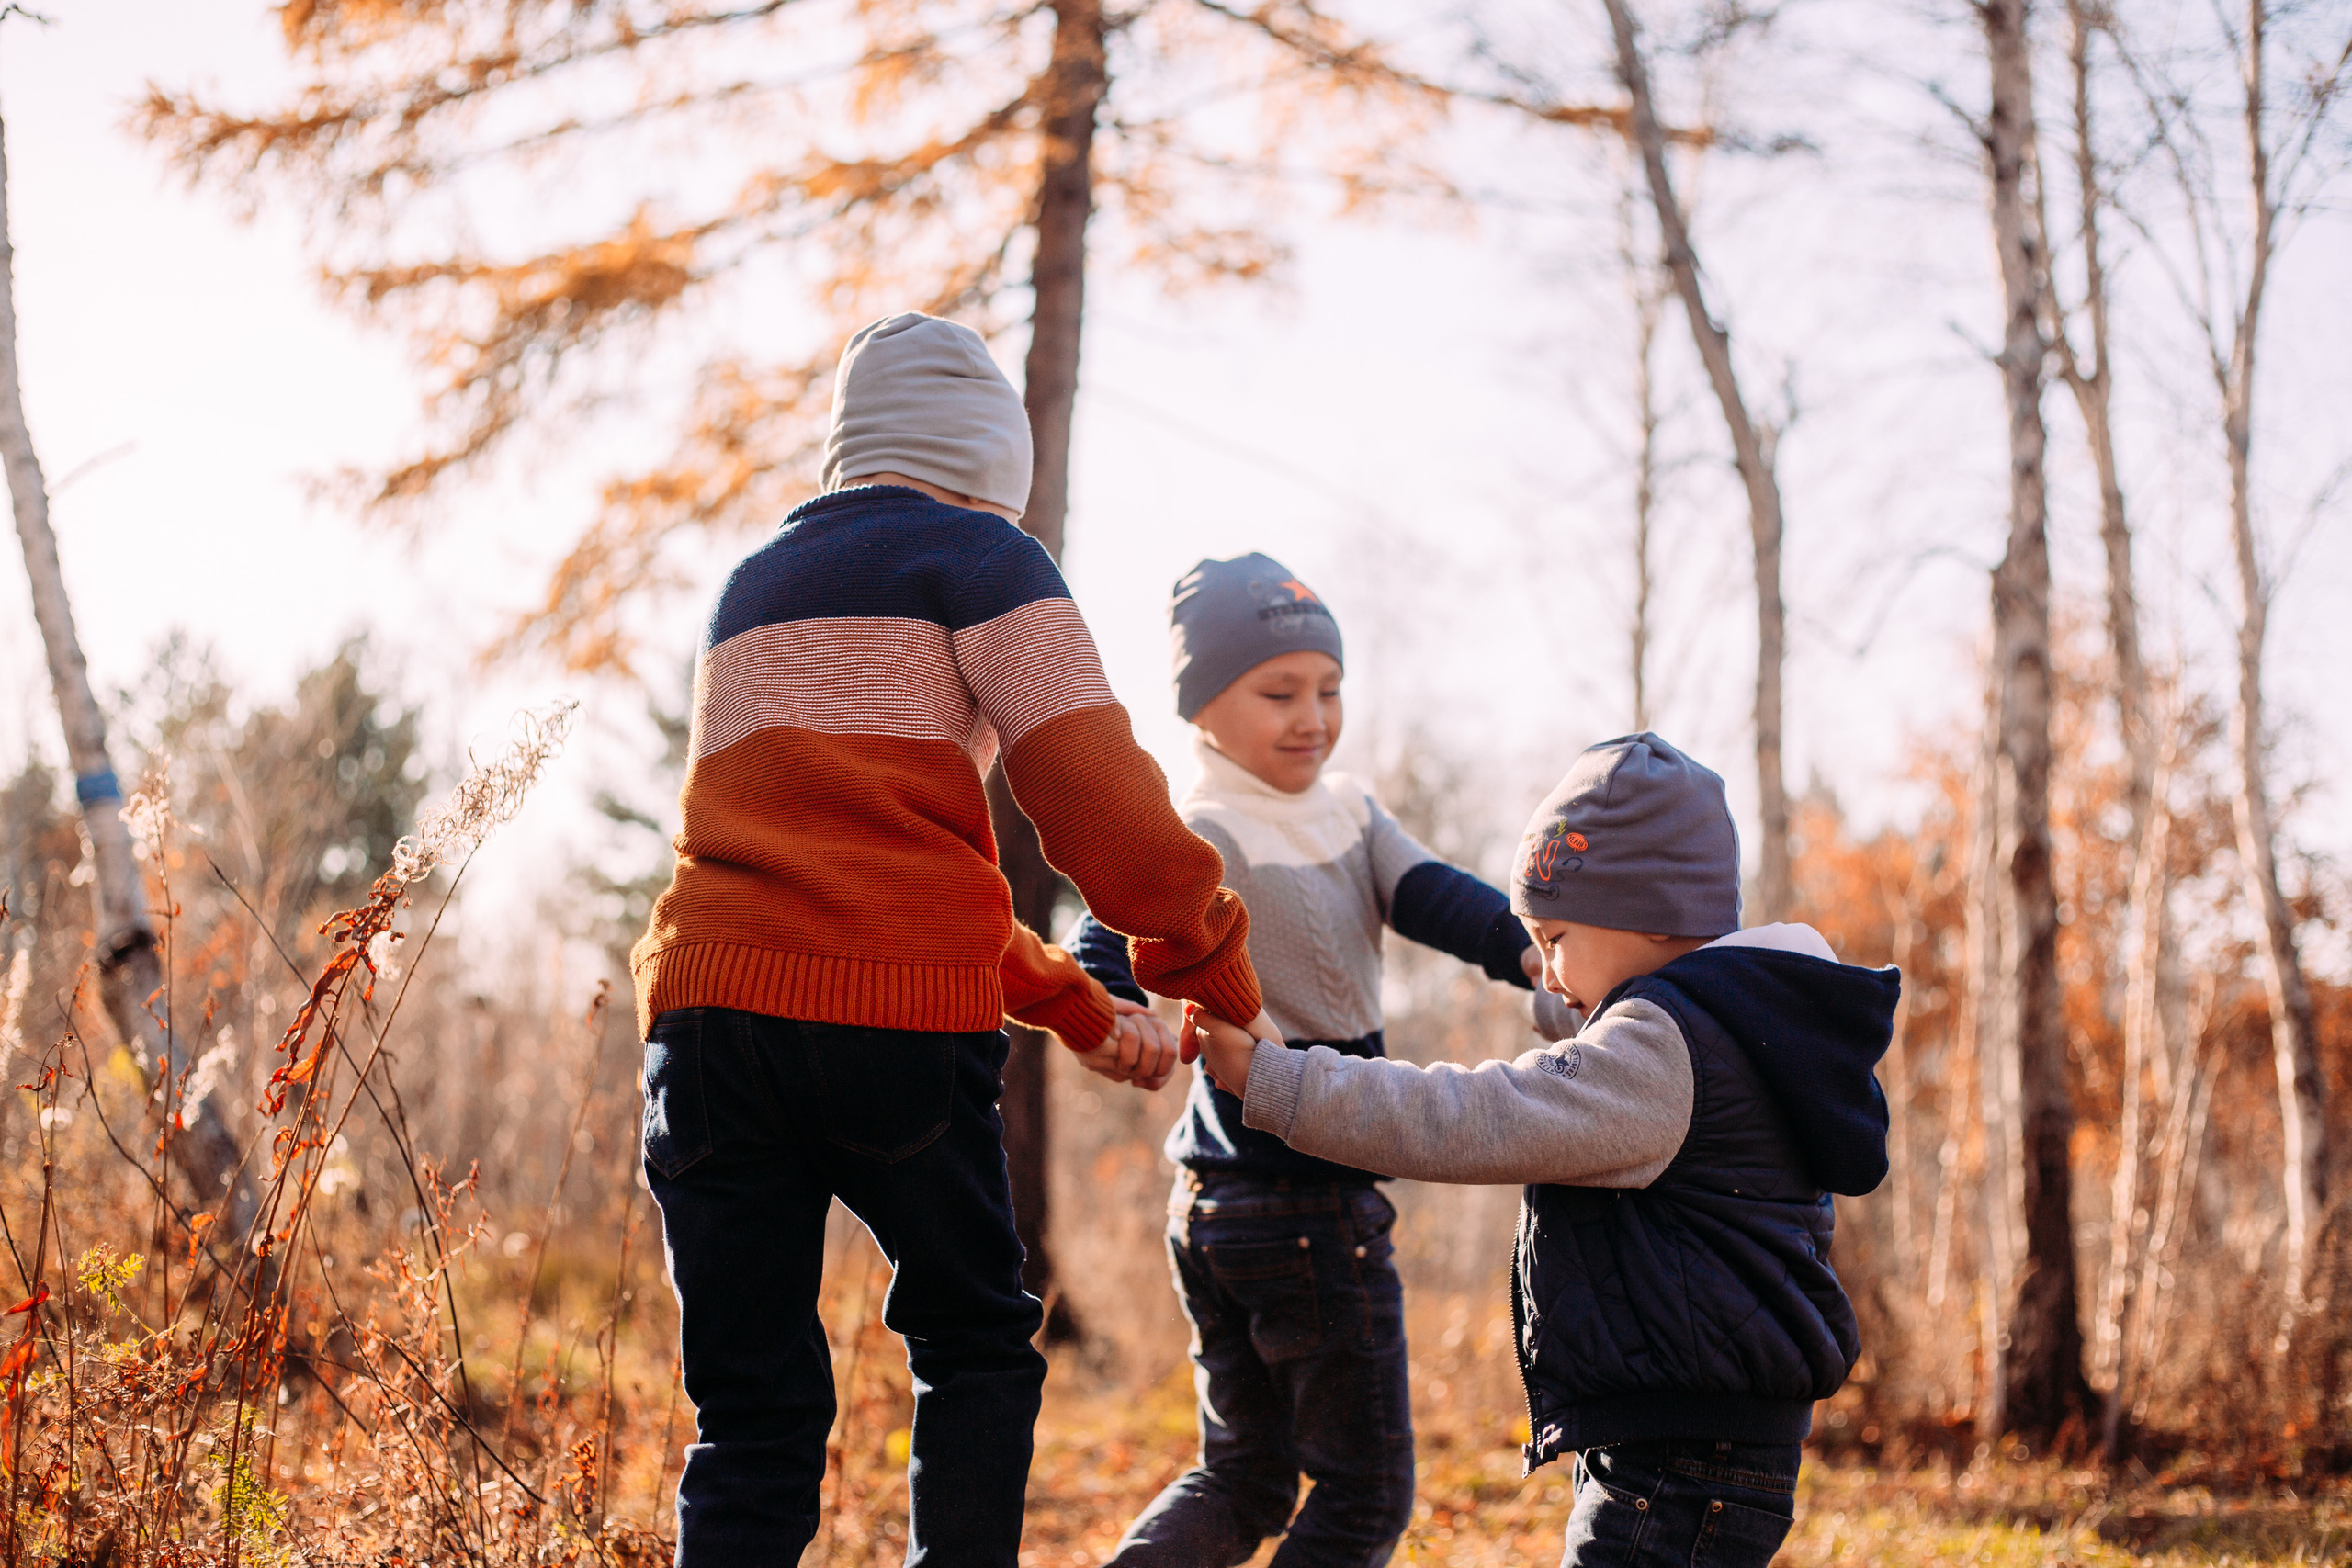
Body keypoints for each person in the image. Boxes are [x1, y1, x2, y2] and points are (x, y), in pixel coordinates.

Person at [630, 311, 1274, 1568]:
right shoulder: (984, 559)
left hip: (706, 1021)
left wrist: (1084, 1012)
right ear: (994, 468)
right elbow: (1102, 803)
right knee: (974, 1337)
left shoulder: (751, 584)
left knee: (751, 1413)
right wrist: (1208, 966)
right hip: (890, 1040)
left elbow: (874, 887)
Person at [1189, 732, 1897, 1568]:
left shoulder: (1659, 1055)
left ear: (1649, 914)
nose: (1547, 971)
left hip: (1676, 1455)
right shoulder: (1735, 1023)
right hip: (1697, 1440)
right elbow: (1598, 1019)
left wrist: (1280, 1081)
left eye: (1555, 937)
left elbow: (1472, 1114)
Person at [1068, 552, 1564, 1568]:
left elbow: (1434, 895)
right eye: (1278, 692)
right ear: (1202, 706)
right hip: (1300, 1198)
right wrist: (1114, 1011)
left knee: (1243, 1477)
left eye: (1329, 690)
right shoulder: (1201, 825)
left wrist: (1529, 953)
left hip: (1213, 1200)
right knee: (1363, 1493)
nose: (1312, 717)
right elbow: (1106, 931)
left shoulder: (1348, 811)